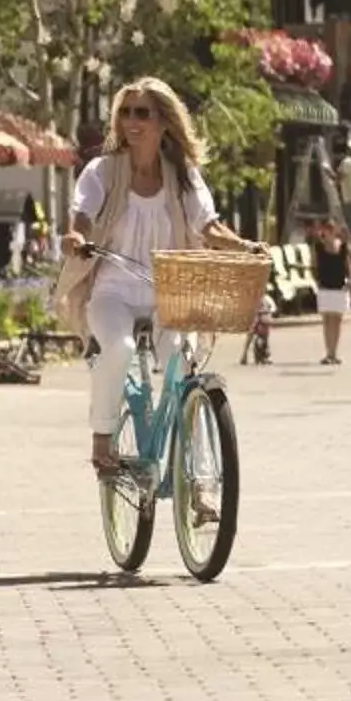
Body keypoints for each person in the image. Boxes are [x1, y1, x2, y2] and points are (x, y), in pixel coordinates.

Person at [60, 78, 250, 477]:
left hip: (170, 292)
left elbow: (208, 225)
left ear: (164, 122)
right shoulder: (104, 171)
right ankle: (102, 434)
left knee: (182, 367)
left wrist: (242, 246)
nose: (132, 121)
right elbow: (82, 214)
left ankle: (199, 480)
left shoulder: (182, 175)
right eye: (125, 112)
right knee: (120, 348)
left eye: (142, 112)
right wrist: (76, 238)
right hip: (112, 291)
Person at [309, 217, 351, 367]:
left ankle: (335, 352)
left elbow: (347, 265)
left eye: (332, 228)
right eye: (327, 228)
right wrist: (316, 280)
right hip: (325, 286)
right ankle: (328, 353)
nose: (329, 231)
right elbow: (313, 265)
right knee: (327, 321)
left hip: (339, 286)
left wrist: (349, 280)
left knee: (337, 321)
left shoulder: (343, 247)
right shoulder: (318, 247)